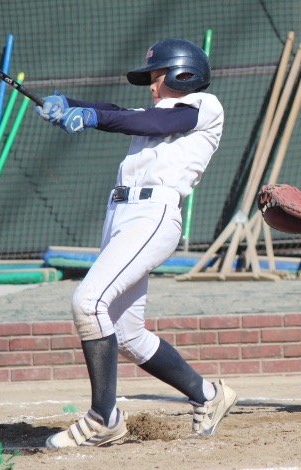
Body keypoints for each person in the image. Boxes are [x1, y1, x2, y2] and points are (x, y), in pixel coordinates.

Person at [34, 38, 236, 448]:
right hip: (122, 214)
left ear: (184, 74)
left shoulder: (203, 106)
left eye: (158, 76)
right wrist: (69, 103)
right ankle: (209, 396)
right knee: (127, 333)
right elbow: (124, 113)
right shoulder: (157, 111)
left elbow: (151, 124)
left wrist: (90, 117)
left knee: (88, 302)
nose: (152, 85)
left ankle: (103, 418)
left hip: (153, 215)